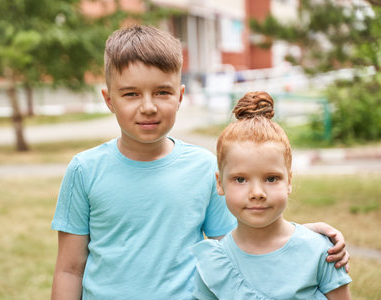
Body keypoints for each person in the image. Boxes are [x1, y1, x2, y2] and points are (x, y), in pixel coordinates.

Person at [50, 25, 349, 300]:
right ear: (109, 99)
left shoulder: (205, 168)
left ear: (180, 96)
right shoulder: (84, 170)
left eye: (162, 92)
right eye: (131, 94)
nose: (149, 106)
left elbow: (243, 241)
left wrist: (304, 237)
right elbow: (69, 269)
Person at [191, 91, 352, 299]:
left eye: (271, 179)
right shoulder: (213, 264)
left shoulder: (321, 251)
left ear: (289, 181)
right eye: (240, 179)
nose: (257, 193)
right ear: (220, 183)